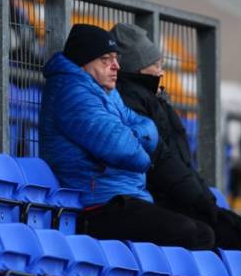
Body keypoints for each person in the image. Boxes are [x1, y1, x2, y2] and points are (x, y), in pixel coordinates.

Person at [39, 24, 215, 249]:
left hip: (125, 197)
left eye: (115, 58)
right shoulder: (73, 94)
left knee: (204, 232)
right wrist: (140, 147)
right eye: (106, 59)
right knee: (188, 232)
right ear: (83, 64)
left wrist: (134, 136)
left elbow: (147, 126)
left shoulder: (105, 91)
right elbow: (127, 151)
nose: (116, 66)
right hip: (99, 206)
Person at [110, 23, 241, 253]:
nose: (161, 71)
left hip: (173, 193)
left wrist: (204, 199)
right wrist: (201, 201)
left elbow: (181, 162)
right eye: (155, 65)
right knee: (218, 233)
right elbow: (163, 162)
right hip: (157, 195)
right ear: (137, 68)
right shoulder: (133, 100)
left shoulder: (155, 100)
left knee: (231, 228)